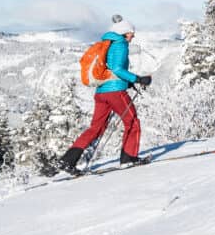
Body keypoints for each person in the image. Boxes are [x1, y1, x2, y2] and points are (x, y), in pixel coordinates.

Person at [60, 17, 152, 173]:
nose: (132, 36)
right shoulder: (121, 45)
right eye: (131, 33)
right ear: (124, 32)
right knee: (132, 122)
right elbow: (117, 69)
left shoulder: (108, 44)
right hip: (115, 92)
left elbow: (109, 70)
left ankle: (68, 160)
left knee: (95, 128)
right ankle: (129, 158)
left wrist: (128, 83)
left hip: (101, 92)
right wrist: (137, 79)